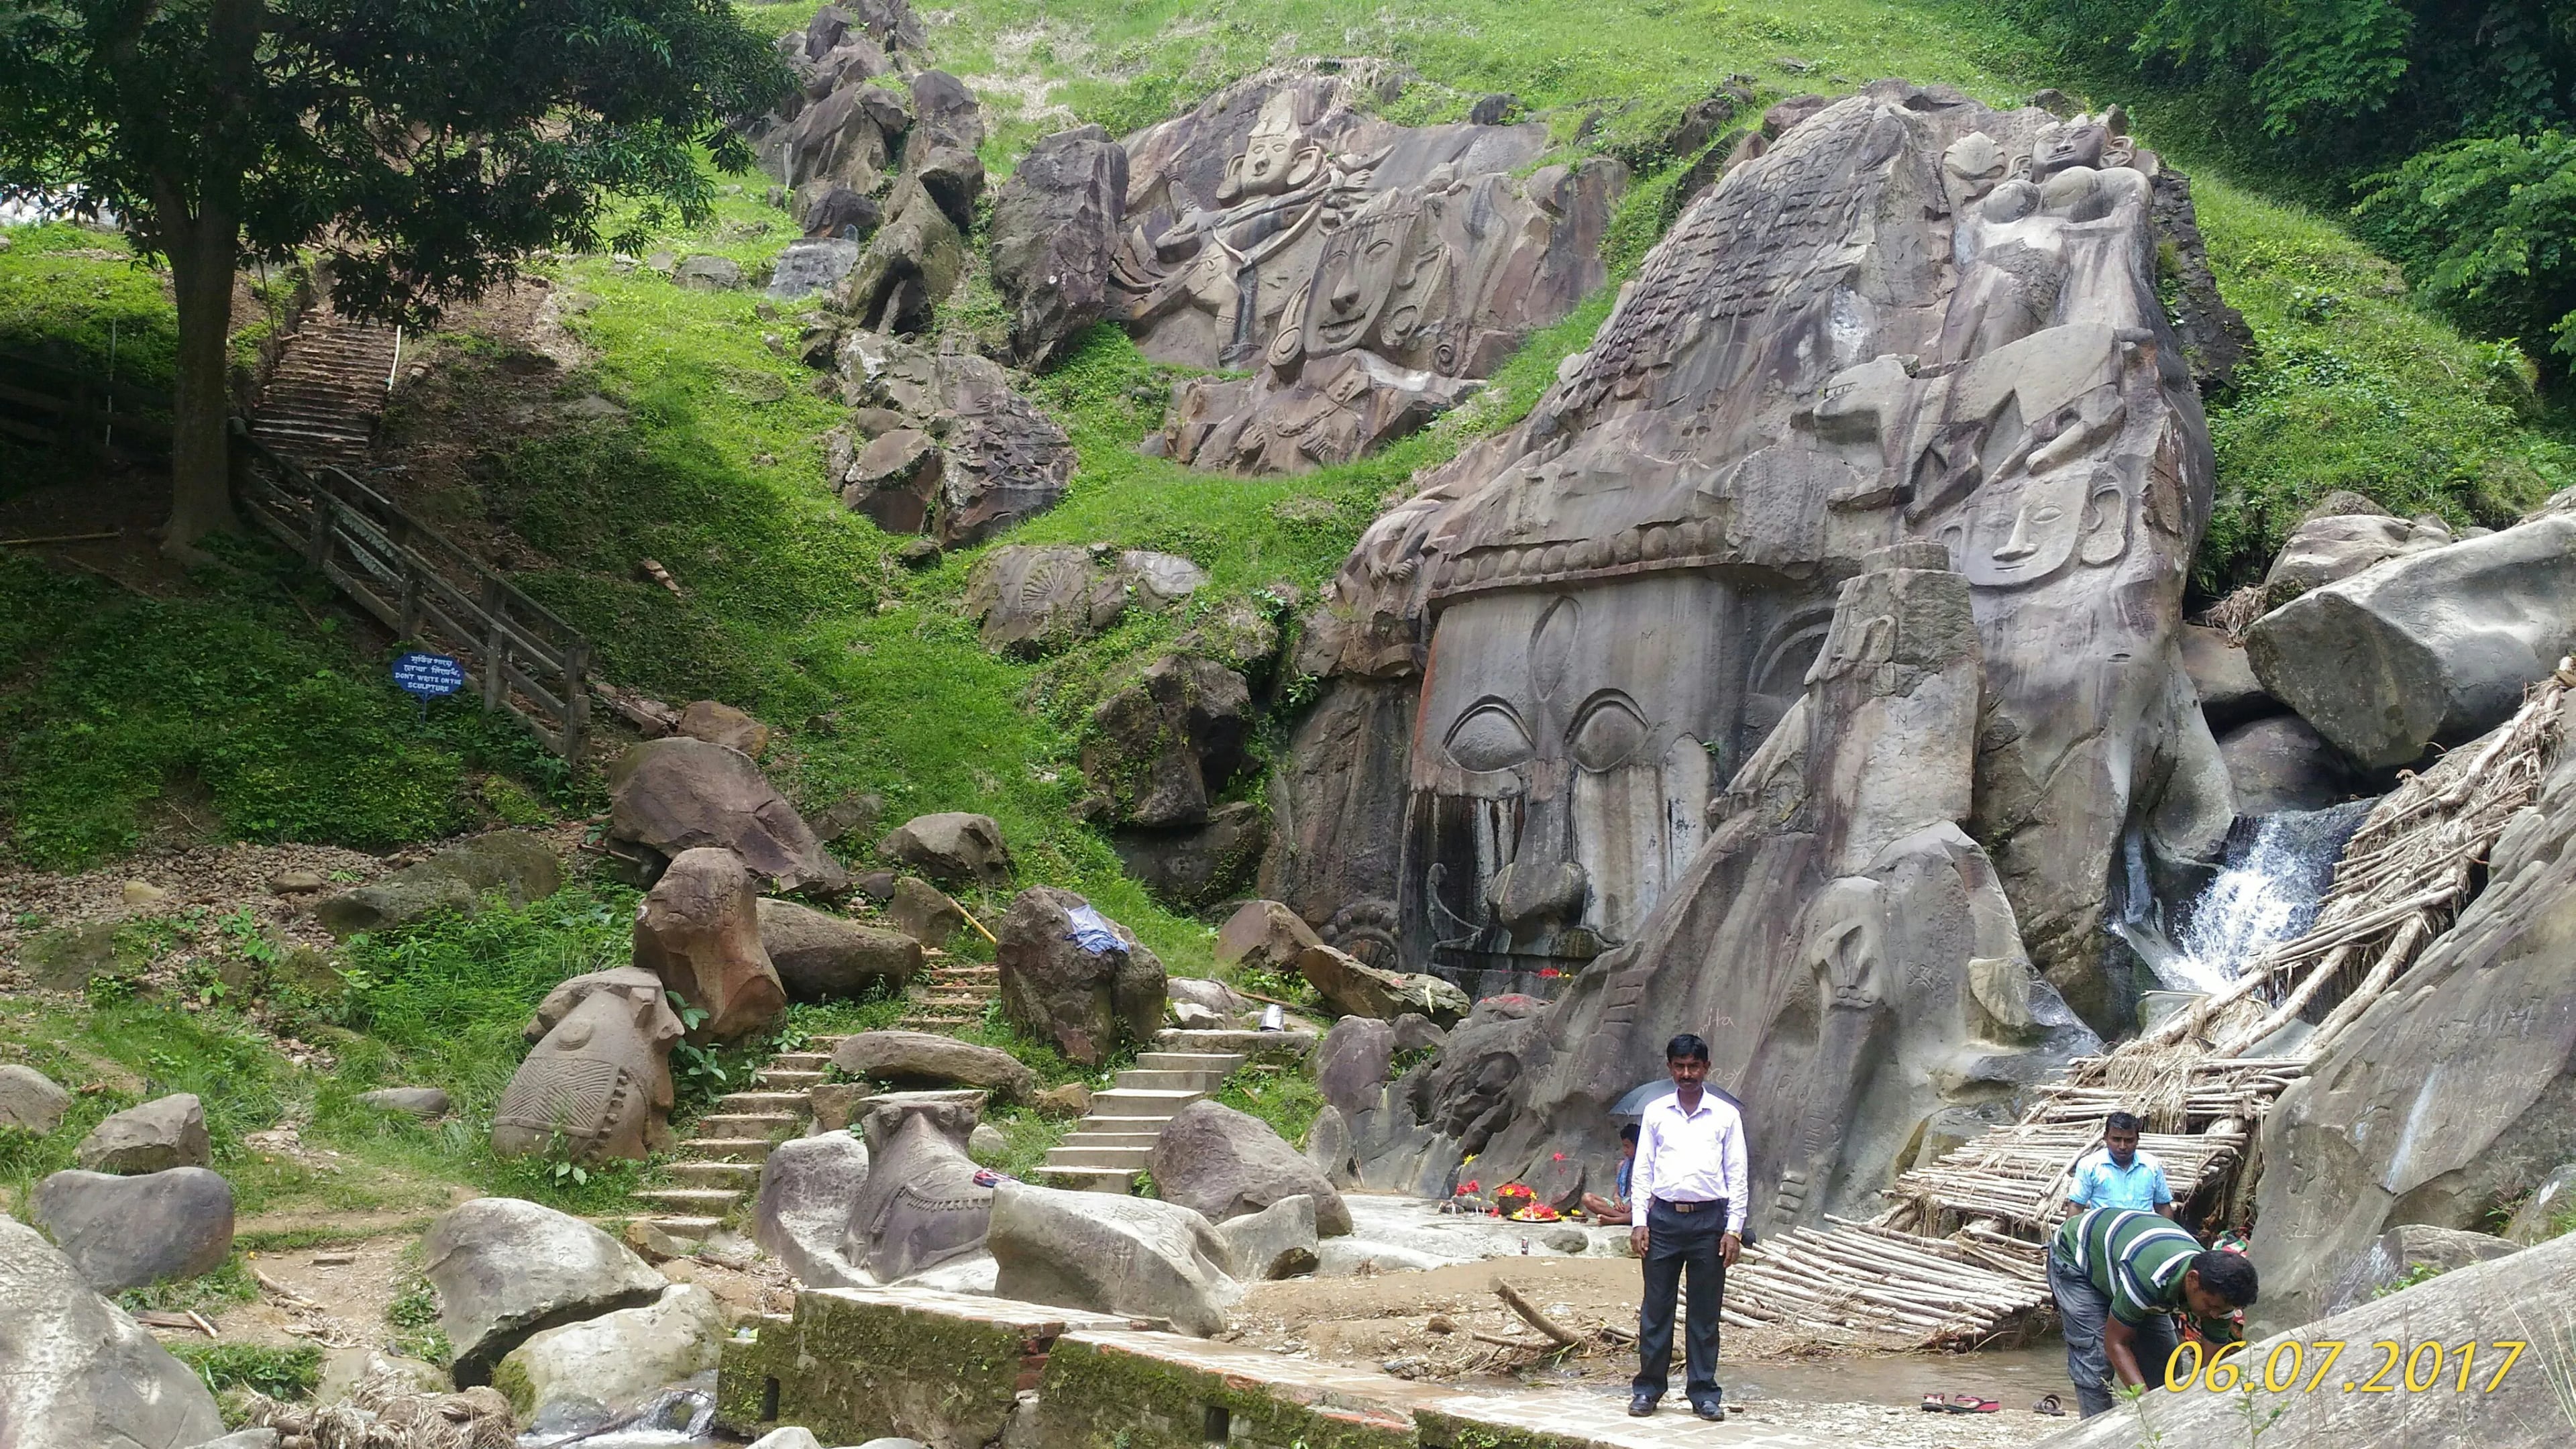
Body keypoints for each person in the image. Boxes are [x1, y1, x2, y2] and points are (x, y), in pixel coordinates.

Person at [1628, 1034, 1749, 1423]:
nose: (1686, 1074)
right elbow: (1642, 1169)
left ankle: (1704, 1393)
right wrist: (1639, 1221)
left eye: (1693, 1067)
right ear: (1669, 1068)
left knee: (1704, 1313)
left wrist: (1734, 1229)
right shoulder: (1655, 1112)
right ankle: (1648, 1390)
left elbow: (1738, 1175)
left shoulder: (1727, 1115)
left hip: (1709, 1223)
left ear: (1706, 1068)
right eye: (1679, 1066)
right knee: (1656, 1309)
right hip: (1662, 1219)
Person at [2049, 1205, 2260, 1417]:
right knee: (2095, 1359)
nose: (2216, 1315)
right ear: (2192, 1280)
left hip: (2126, 1258)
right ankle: (2095, 1433)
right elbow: (2115, 1344)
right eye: (2211, 1307)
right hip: (2076, 1258)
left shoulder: (2220, 1295)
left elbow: (2206, 1370)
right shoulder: (2148, 1278)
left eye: (2222, 1311)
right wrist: (2148, 1406)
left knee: (2165, 1361)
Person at [2066, 1112, 2176, 1219]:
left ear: (2137, 1139)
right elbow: (2076, 1205)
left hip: (2141, 1233)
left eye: (2129, 1140)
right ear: (2105, 1137)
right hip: (2104, 1234)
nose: (2122, 1146)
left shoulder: (2151, 1166)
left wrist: (2170, 1235)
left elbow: (2163, 1207)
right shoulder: (2090, 1166)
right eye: (2116, 1139)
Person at [1582, 1124, 1640, 1226]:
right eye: (1623, 1146)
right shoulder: (1622, 1166)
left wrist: (1631, 1205)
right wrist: (1617, 1201)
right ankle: (1622, 1218)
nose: (1624, 1150)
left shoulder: (1648, 1168)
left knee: (1646, 1212)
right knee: (1587, 1198)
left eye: (1628, 1146)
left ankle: (1614, 1220)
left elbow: (1650, 1198)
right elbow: (1616, 1193)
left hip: (1637, 1206)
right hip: (1621, 1207)